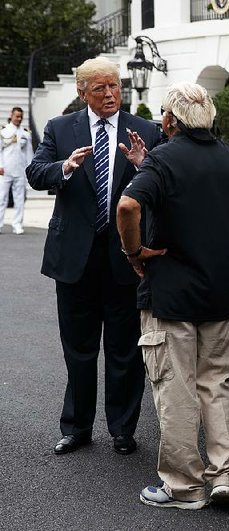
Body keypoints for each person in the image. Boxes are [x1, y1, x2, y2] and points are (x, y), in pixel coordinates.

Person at [117, 81, 229, 510]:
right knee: (217, 387)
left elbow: (128, 207)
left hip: (170, 298)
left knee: (176, 391)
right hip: (217, 295)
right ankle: (225, 476)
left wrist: (133, 252)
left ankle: (183, 487)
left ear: (168, 120)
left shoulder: (163, 161)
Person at [26, 57, 160, 456]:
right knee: (79, 349)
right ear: (82, 93)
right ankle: (77, 427)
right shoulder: (60, 128)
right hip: (75, 259)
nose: (110, 94)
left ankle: (122, 429)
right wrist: (63, 168)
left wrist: (145, 164)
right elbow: (36, 172)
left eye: (115, 86)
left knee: (124, 350)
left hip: (125, 257)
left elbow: (168, 181)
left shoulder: (146, 130)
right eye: (100, 88)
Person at [0, 107, 34, 234]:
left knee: (19, 198)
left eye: (21, 117)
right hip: (6, 169)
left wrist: (30, 168)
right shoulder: (4, 131)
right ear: (11, 115)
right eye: (17, 116)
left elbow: (29, 152)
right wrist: (0, 166)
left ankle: (17, 224)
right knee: (1, 198)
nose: (19, 119)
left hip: (20, 170)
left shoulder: (26, 133)